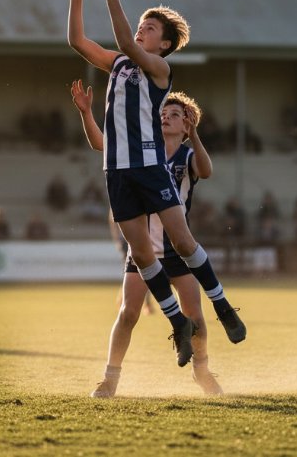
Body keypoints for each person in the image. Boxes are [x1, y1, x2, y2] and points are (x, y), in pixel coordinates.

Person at [66, 0, 245, 368]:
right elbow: (78, 41)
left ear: (163, 44)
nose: (142, 30)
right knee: (143, 256)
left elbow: (128, 43)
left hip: (149, 167)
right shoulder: (118, 64)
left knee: (182, 243)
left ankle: (222, 306)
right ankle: (177, 322)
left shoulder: (159, 69)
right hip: (117, 172)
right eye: (141, 24)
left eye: (150, 27)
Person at [72, 81, 222, 397]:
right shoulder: (142, 149)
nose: (165, 117)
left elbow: (206, 171)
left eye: (175, 114)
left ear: (187, 123)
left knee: (195, 315)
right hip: (143, 251)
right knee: (128, 314)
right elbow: (102, 144)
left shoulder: (188, 155)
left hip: (178, 251)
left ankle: (203, 371)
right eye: (163, 113)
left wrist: (195, 137)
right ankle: (110, 380)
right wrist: (87, 113)